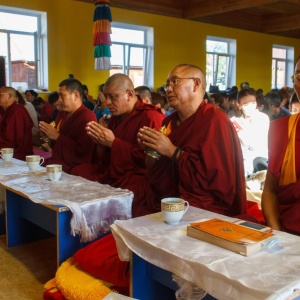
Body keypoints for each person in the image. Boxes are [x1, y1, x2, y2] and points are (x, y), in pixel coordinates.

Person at [137, 64, 247, 217]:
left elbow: (219, 184)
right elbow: (152, 169)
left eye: (174, 82)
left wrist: (173, 152)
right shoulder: (168, 122)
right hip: (166, 197)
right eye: (167, 84)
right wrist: (152, 149)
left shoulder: (215, 121)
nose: (168, 89)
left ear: (196, 84)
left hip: (202, 203)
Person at [71, 73, 165, 217]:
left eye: (113, 97)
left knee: (129, 192)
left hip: (139, 176)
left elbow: (152, 161)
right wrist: (101, 142)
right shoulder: (116, 117)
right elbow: (105, 159)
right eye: (105, 96)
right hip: (114, 171)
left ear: (129, 94)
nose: (107, 102)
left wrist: (113, 143)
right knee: (78, 171)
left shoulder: (151, 116)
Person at [262, 57, 300, 235]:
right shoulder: (282, 129)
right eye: (299, 77)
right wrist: (275, 229)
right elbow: (270, 190)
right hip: (288, 233)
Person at [39, 78, 97, 173]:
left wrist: (57, 137)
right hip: (59, 160)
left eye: (62, 96)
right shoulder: (62, 114)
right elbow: (56, 142)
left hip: (74, 165)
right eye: (58, 96)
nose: (59, 100)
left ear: (76, 96)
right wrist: (47, 135)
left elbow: (84, 152)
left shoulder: (87, 116)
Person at [231, 88, 270, 177]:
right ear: (239, 105)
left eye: (253, 103)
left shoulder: (262, 118)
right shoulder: (234, 122)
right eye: (245, 104)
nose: (250, 107)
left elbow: (253, 143)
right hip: (241, 164)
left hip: (261, 162)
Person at [0, 86, 33, 160]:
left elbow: (11, 138)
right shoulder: (6, 111)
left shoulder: (17, 110)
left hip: (16, 153)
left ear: (9, 96)